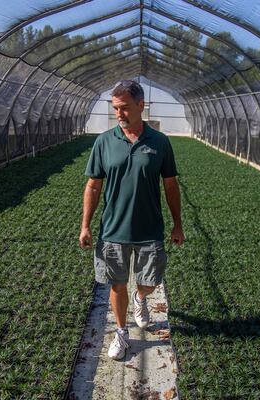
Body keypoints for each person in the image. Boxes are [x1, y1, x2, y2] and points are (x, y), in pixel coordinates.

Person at [79, 80, 185, 360]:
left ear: (141, 106)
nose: (119, 114)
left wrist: (177, 224)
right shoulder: (104, 142)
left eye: (124, 107)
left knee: (150, 280)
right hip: (113, 230)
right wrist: (85, 225)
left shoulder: (160, 142)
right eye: (115, 108)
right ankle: (122, 334)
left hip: (150, 229)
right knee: (116, 284)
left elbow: (171, 185)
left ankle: (141, 298)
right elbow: (93, 185)